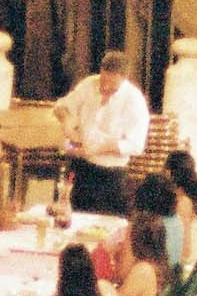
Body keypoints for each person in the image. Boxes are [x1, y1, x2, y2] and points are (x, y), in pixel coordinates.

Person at [56, 46, 153, 213]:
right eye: (103, 81)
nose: (105, 89)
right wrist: (67, 121)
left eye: (111, 85)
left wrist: (100, 147)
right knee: (69, 217)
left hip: (111, 176)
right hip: (80, 167)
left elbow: (136, 145)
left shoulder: (134, 100)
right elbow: (61, 106)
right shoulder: (89, 84)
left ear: (123, 79)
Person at [98, 209, 173, 296]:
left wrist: (103, 253)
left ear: (137, 242)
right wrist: (116, 257)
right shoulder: (151, 264)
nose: (123, 241)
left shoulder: (143, 270)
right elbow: (119, 278)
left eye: (127, 236)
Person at [163, 146, 197, 262]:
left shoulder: (183, 203)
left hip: (186, 261)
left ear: (169, 172)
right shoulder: (188, 196)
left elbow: (185, 248)